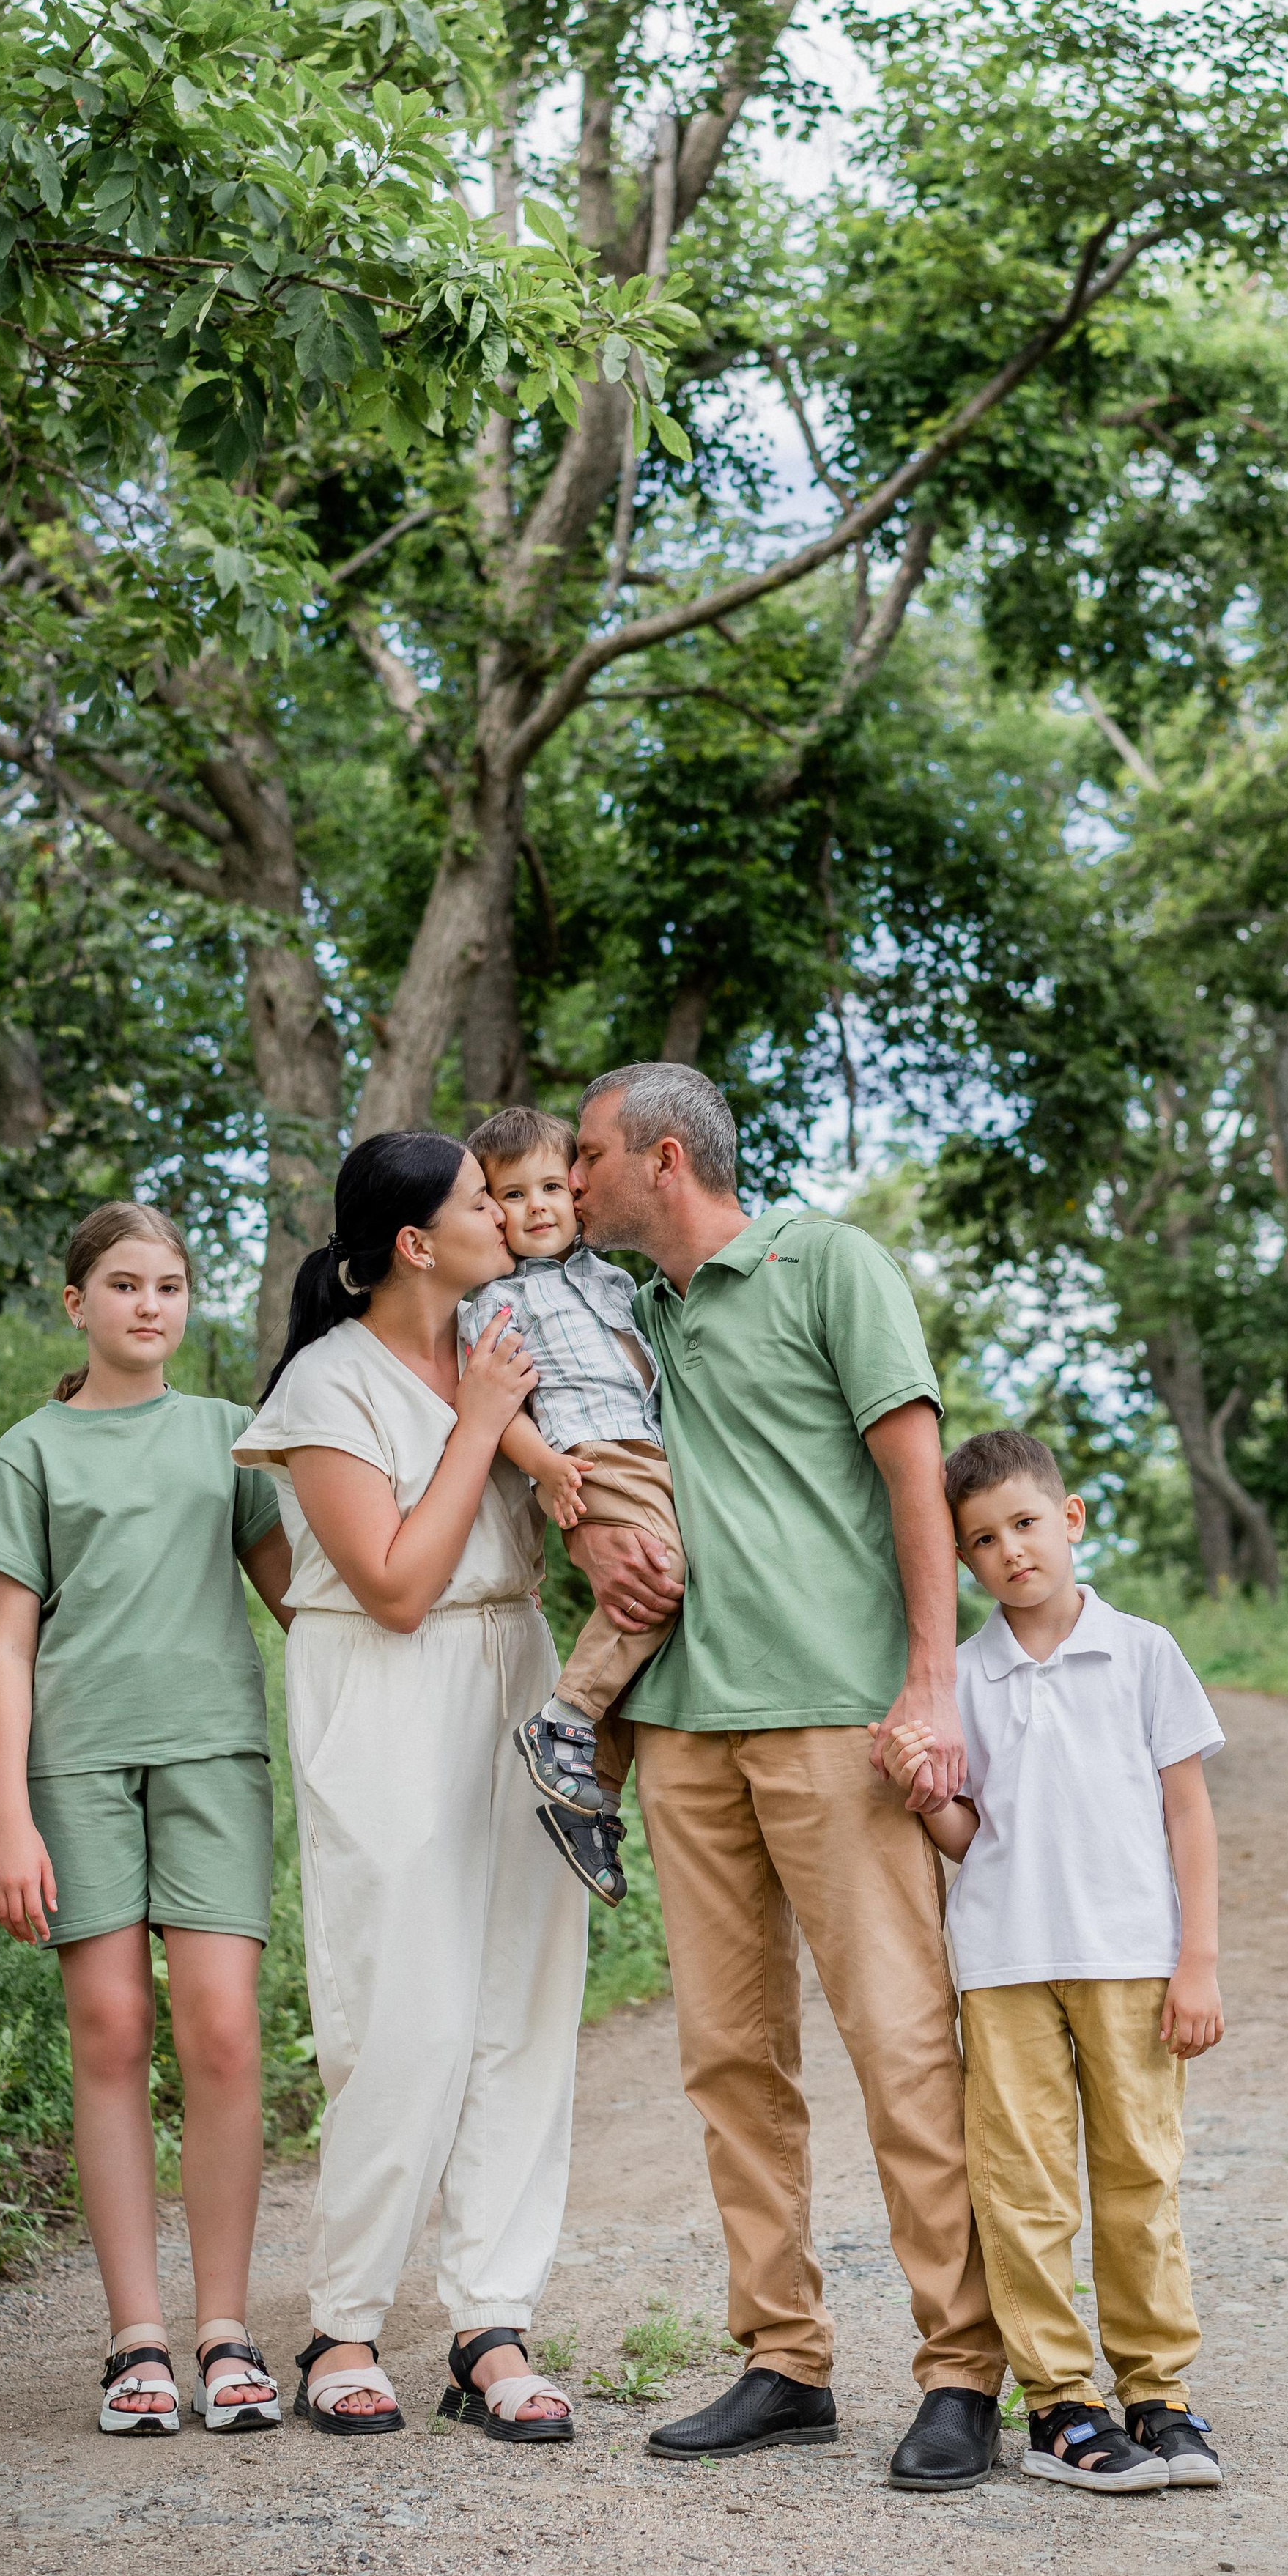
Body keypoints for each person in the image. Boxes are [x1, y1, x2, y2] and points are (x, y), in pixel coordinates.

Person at [563, 1062, 1007, 2492]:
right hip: (685, 1726)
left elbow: (911, 1472)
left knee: (896, 2047)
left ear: (666, 1158)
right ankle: (782, 2359)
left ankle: (959, 2371)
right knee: (728, 2062)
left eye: (586, 1157)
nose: (570, 1183)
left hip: (833, 1718)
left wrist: (930, 1680)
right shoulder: (630, 1315)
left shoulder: (829, 1264)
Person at [231, 1131, 586, 2445]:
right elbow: (387, 1583)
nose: (510, 1211)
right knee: (403, 2010)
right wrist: (485, 1425)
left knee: (526, 2003)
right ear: (416, 1244)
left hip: (520, 1672)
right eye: (483, 1200)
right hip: (388, 1681)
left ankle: (492, 2322)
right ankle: (346, 2321)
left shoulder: (510, 1337)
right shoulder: (331, 1385)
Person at [0, 1203, 294, 2439]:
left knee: (219, 2033)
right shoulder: (28, 1453)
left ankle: (226, 2330)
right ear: (76, 1303)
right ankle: (137, 2336)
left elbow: (308, 1605)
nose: (151, 1305)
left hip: (214, 1756)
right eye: (125, 1284)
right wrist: (8, 1818)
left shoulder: (230, 1439)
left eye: (170, 1285)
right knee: (109, 2027)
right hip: (79, 1767)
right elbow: (5, 1649)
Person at [878, 1427, 1226, 2495]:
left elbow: (1187, 1813)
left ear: (1068, 1520)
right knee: (1023, 2189)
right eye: (981, 1540)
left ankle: (1156, 2391)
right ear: (963, 1560)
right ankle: (1060, 2404)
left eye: (1026, 1524)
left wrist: (1197, 1960)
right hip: (1006, 1964)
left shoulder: (1141, 1651)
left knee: (1139, 2177)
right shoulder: (963, 1677)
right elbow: (972, 1837)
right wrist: (926, 1794)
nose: (1010, 1551)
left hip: (1130, 1957)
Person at [459, 1103, 684, 1910]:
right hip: (588, 1456)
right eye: (512, 1196)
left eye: (551, 1185)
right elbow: (487, 1405)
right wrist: (547, 1468)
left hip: (649, 1451)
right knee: (663, 1576)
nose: (538, 1207)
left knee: (656, 1615)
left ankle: (590, 1790)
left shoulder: (617, 1280)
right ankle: (563, 1719)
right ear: (490, 1212)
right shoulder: (490, 1301)